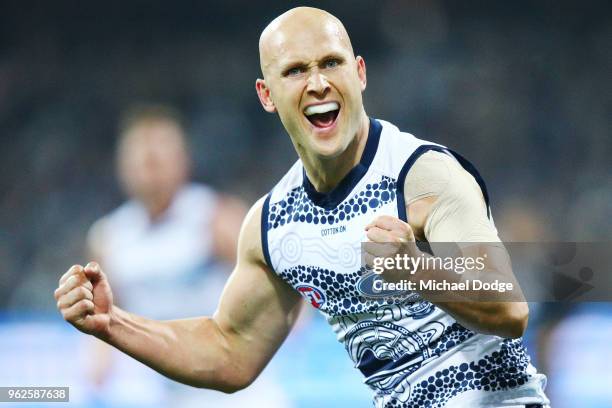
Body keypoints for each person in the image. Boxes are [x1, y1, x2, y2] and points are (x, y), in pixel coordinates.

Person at [55, 7, 550, 407]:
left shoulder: (422, 175)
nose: (317, 83)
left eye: (331, 63)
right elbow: (229, 353)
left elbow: (508, 308)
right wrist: (113, 324)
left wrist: (416, 270)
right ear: (267, 95)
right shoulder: (273, 225)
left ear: (359, 73)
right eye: (295, 70)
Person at [82, 105, 290, 407]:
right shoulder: (109, 238)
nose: (149, 169)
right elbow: (105, 317)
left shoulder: (214, 218)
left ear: (182, 162)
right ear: (122, 167)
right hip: (172, 395)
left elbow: (281, 279)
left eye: (158, 159)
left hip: (240, 395)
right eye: (141, 160)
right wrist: (97, 366)